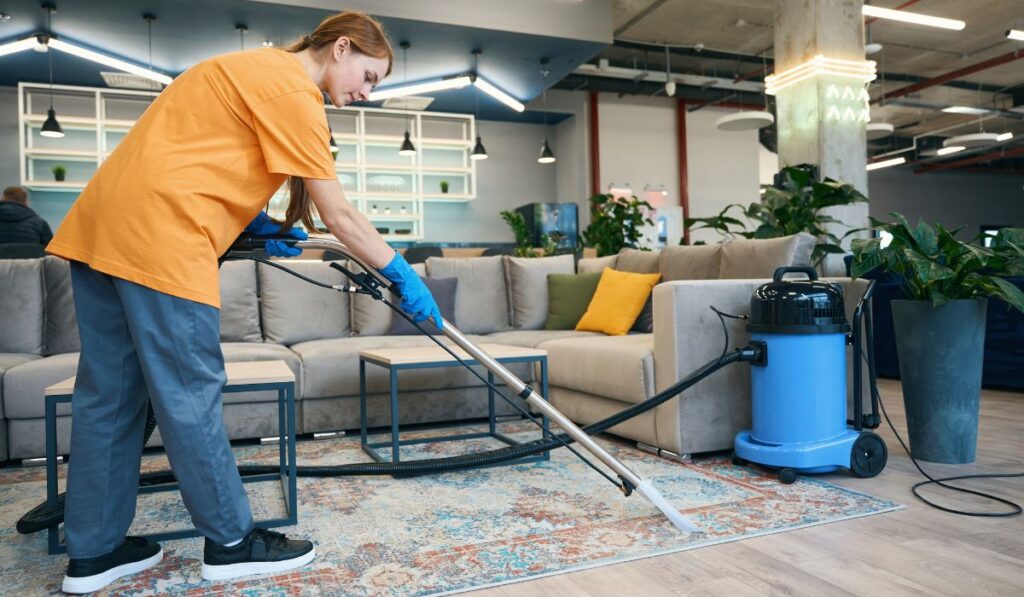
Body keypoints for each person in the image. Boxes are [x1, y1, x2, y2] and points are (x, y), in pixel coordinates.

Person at [45, 11, 442, 594]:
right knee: (188, 394)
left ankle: (94, 552)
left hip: (102, 229)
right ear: (341, 48)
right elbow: (340, 215)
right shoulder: (295, 91)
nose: (365, 93)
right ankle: (232, 543)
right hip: (163, 239)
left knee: (109, 395)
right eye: (370, 76)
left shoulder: (244, 67)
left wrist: (249, 220)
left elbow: (191, 153)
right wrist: (401, 271)